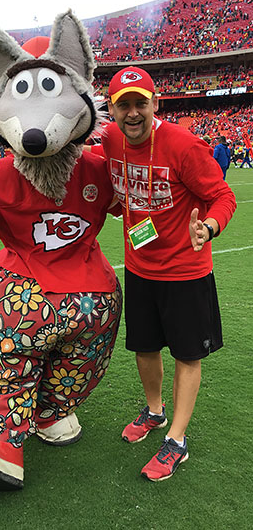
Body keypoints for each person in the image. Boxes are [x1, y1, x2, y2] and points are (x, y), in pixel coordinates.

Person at [91, 66, 236, 482]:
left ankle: (177, 437)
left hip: (186, 271)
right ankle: (155, 412)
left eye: (141, 103)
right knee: (145, 347)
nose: (132, 113)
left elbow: (222, 195)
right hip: (140, 268)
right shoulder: (111, 140)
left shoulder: (184, 146)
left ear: (156, 104)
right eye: (124, 106)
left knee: (187, 354)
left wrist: (207, 228)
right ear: (112, 110)